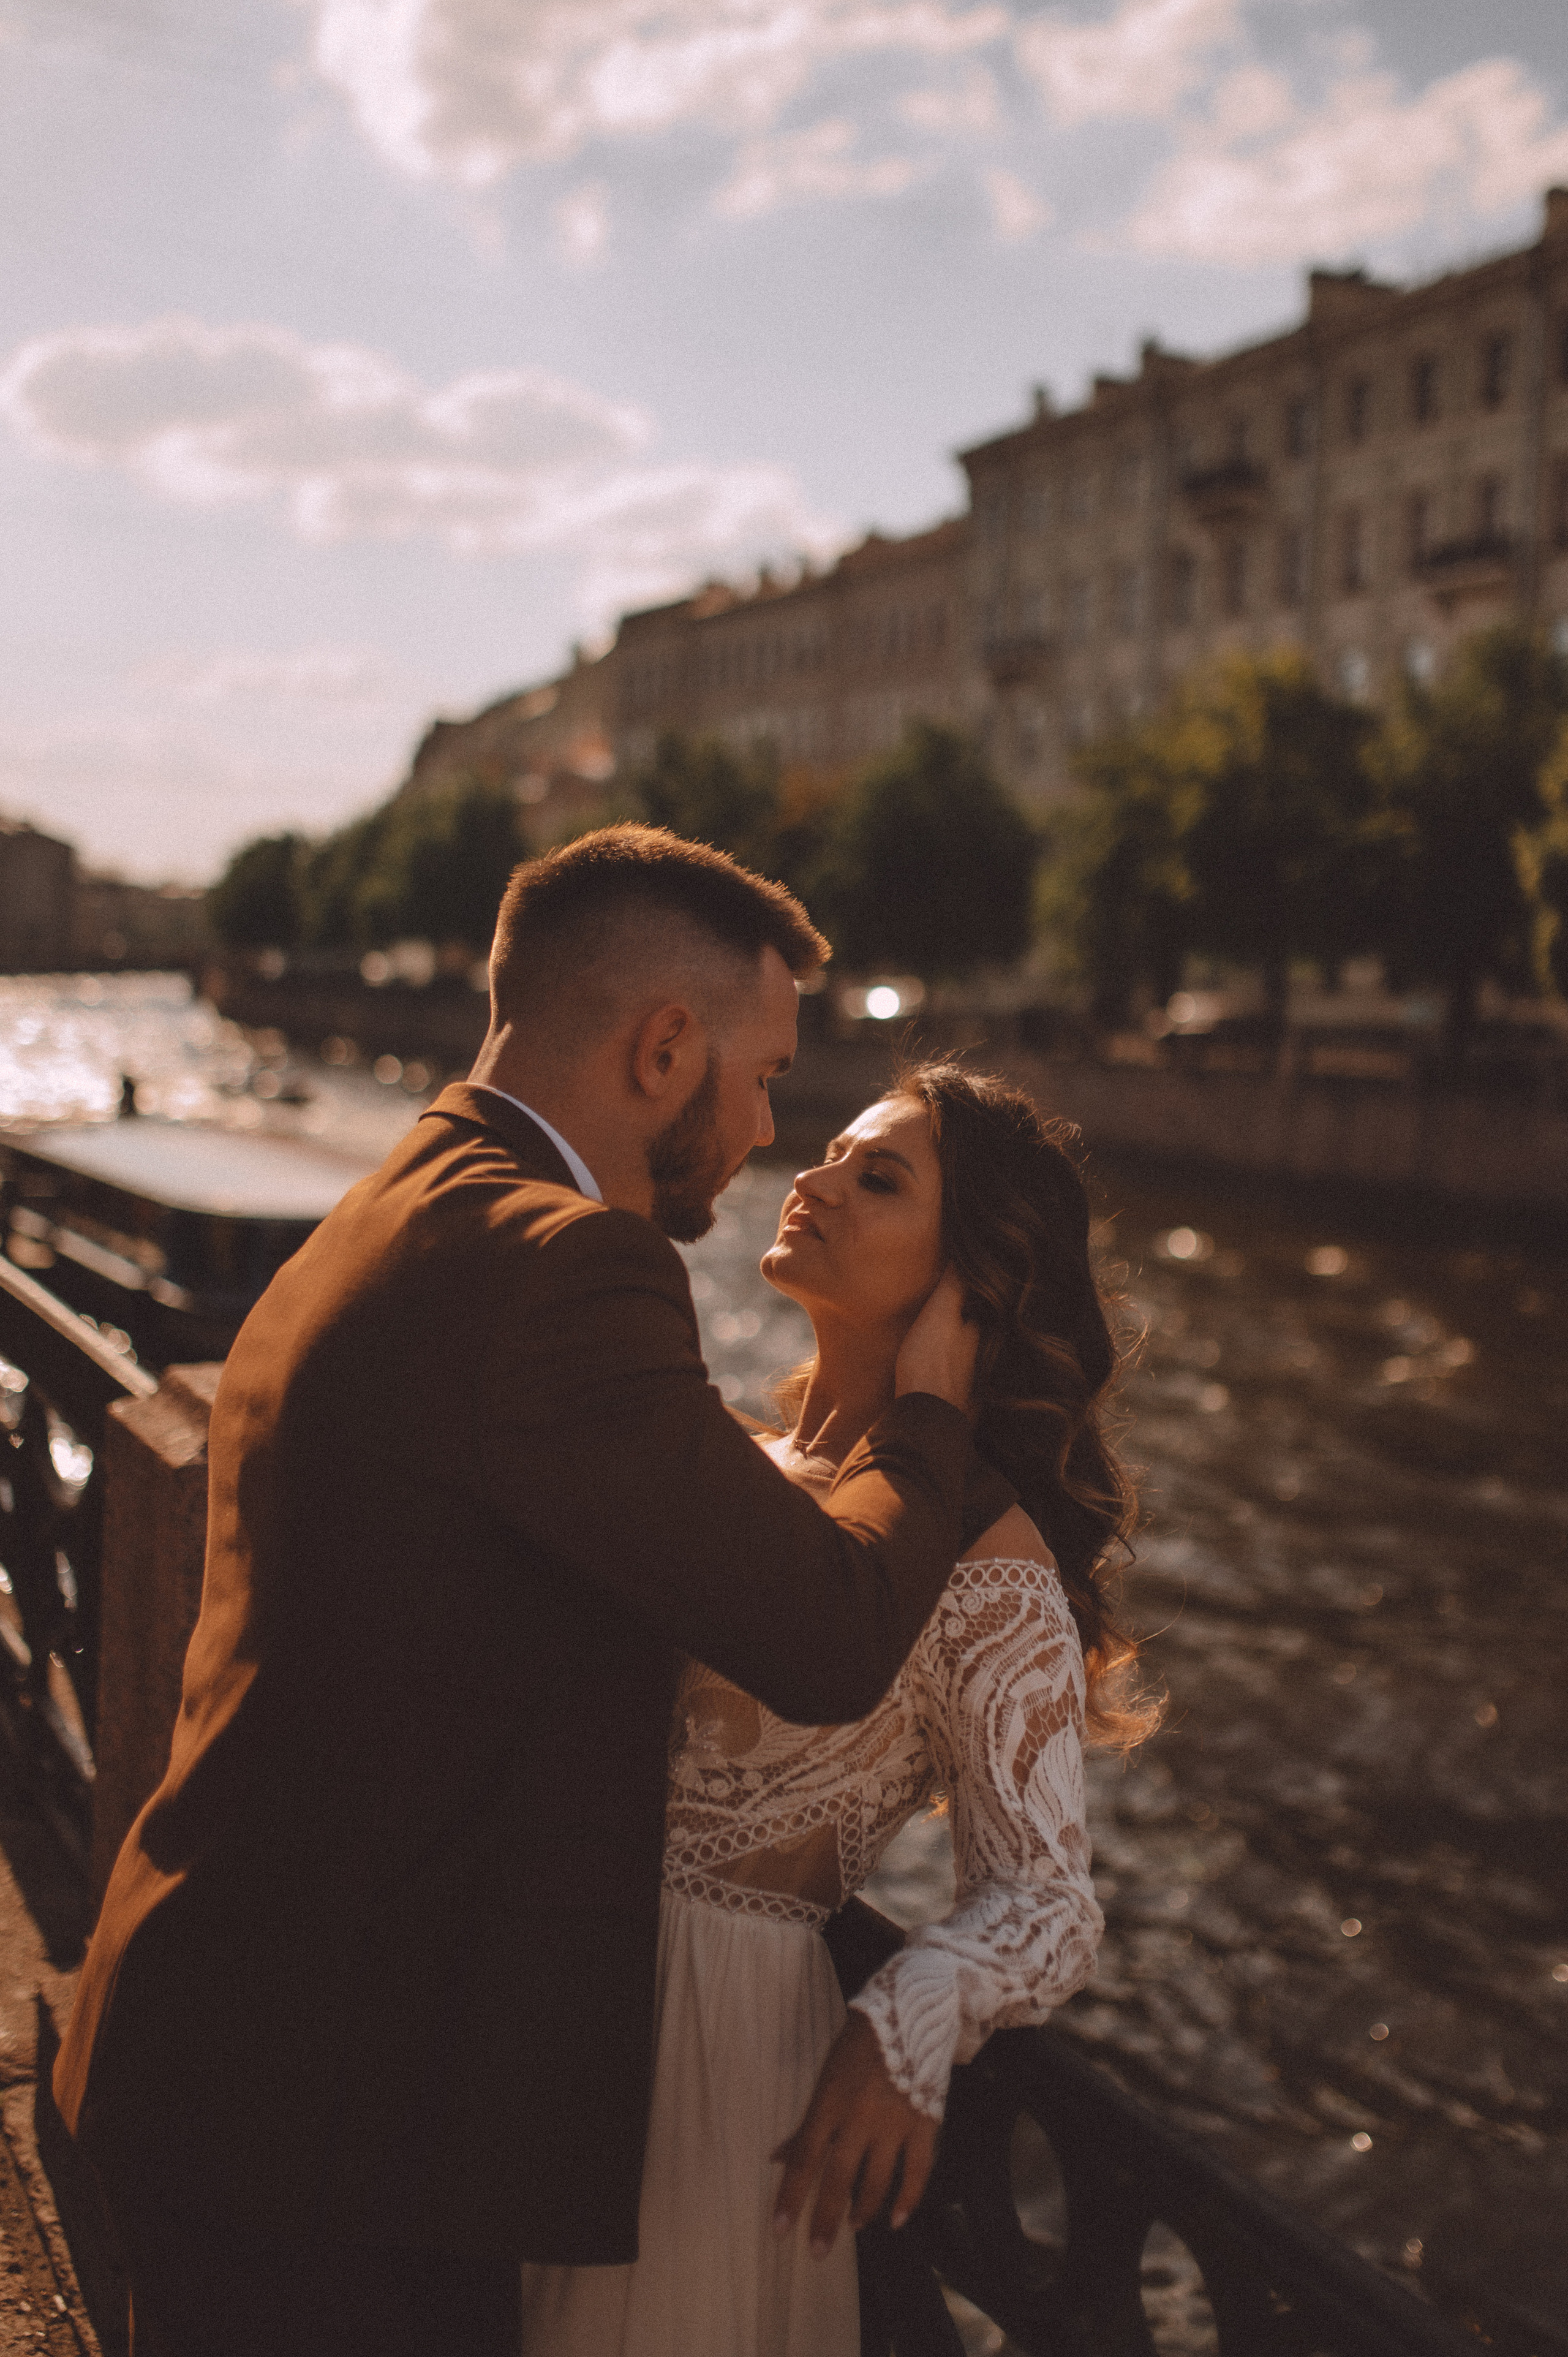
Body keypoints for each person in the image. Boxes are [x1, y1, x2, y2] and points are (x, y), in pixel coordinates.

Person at [55, 829, 1008, 2357]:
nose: (769, 1127)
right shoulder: (567, 1268)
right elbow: (827, 1632)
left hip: (237, 2045)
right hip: (336, 2127)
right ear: (663, 1047)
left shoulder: (406, 1190)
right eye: (762, 1075)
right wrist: (935, 1414)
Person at [519, 1061, 1153, 2356]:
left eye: (879, 1178)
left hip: (720, 2057)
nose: (812, 1179)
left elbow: (1045, 1896)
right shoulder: (745, 1459)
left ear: (971, 1274)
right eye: (829, 1152)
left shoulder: (988, 1555)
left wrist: (911, 2011)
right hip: (546, 2007)